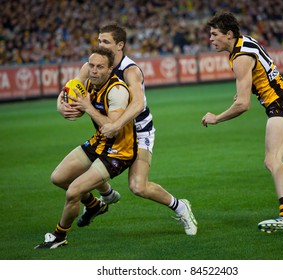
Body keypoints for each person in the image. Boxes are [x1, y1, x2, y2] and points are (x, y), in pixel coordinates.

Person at [57, 23, 197, 235]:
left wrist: (116, 125)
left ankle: (181, 207)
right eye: (99, 40)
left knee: (138, 187)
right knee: (66, 176)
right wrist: (62, 108)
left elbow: (138, 103)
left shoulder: (130, 70)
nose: (100, 45)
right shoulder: (92, 65)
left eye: (106, 42)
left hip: (138, 131)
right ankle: (103, 197)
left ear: (120, 45)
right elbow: (70, 90)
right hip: (108, 130)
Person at [201, 11, 283, 233]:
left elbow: (242, 105)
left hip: (280, 103)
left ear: (229, 34)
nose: (210, 39)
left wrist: (216, 118)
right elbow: (262, 71)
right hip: (281, 99)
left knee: (272, 160)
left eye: (214, 34)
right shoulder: (244, 42)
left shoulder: (240, 57)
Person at [35, 47, 137, 249]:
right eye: (91, 66)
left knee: (73, 191)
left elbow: (112, 130)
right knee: (58, 178)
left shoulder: (117, 91)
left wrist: (87, 107)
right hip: (98, 142)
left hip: (118, 151)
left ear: (110, 70)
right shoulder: (89, 82)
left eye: (100, 67)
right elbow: (69, 90)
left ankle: (59, 236)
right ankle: (94, 205)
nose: (94, 70)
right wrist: (63, 107)